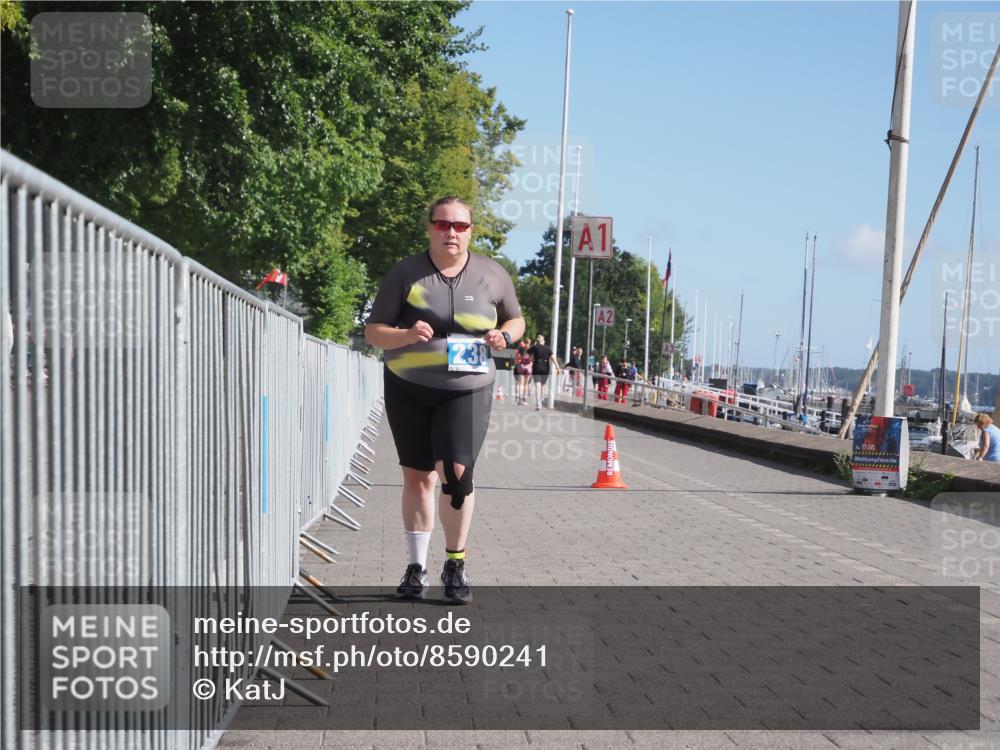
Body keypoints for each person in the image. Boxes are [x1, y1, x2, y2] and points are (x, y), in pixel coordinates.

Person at [365, 196, 525, 602]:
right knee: (419, 478)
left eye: (460, 226)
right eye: (442, 225)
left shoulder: (491, 274)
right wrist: (404, 336)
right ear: (430, 228)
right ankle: (415, 568)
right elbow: (374, 331)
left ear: (471, 230)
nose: (451, 233)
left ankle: (455, 564)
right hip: (408, 385)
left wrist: (503, 336)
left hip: (467, 388)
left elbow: (516, 318)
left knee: (456, 474)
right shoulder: (405, 274)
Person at [528, 334, 560, 410]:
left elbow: (529, 355)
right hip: (545, 367)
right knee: (543, 385)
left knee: (537, 385)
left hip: (537, 366)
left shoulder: (535, 347)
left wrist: (532, 357)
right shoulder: (548, 349)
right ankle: (541, 400)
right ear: (544, 341)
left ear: (537, 341)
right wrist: (558, 367)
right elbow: (553, 358)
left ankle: (538, 402)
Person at [514, 339, 533, 405]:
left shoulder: (521, 349)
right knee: (526, 384)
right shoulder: (532, 349)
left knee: (521, 384)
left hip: (521, 366)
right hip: (528, 367)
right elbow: (533, 358)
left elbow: (516, 357)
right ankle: (524, 399)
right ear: (529, 342)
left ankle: (520, 399)